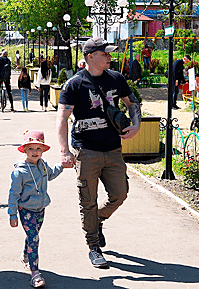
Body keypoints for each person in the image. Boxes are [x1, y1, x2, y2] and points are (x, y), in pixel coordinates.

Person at [56, 37, 141, 268]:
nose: (109, 57)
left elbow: (133, 104)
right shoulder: (74, 84)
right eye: (105, 53)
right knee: (88, 200)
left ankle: (99, 220)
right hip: (87, 151)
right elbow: (62, 118)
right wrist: (64, 151)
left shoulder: (116, 78)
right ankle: (93, 246)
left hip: (113, 149)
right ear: (90, 56)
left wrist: (136, 125)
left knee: (120, 194)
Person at [8, 130, 69, 288]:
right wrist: (12, 214)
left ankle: (26, 255)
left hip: (41, 208)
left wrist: (61, 165)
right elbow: (13, 194)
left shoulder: (42, 165)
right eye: (30, 149)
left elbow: (50, 174)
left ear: (43, 150)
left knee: (32, 235)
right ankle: (35, 274)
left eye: (38, 149)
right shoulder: (19, 172)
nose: (34, 152)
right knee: (34, 238)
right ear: (24, 150)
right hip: (26, 209)